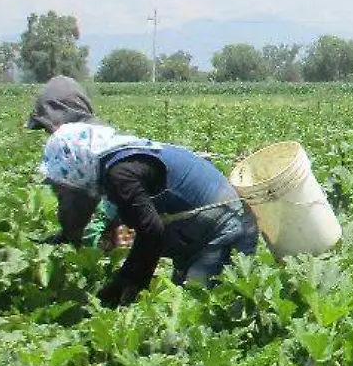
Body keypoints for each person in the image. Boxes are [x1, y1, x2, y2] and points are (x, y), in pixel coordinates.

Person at [39, 123, 258, 306]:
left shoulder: (120, 174)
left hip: (226, 231)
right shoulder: (116, 162)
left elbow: (152, 232)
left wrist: (125, 283)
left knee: (198, 307)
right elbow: (85, 205)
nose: (63, 190)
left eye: (62, 184)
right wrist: (64, 235)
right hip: (199, 235)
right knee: (183, 302)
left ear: (75, 163)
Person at [24, 75, 114, 247]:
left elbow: (75, 209)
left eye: (47, 128)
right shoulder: (102, 136)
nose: (48, 135)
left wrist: (71, 235)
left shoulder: (79, 149)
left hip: (120, 235)